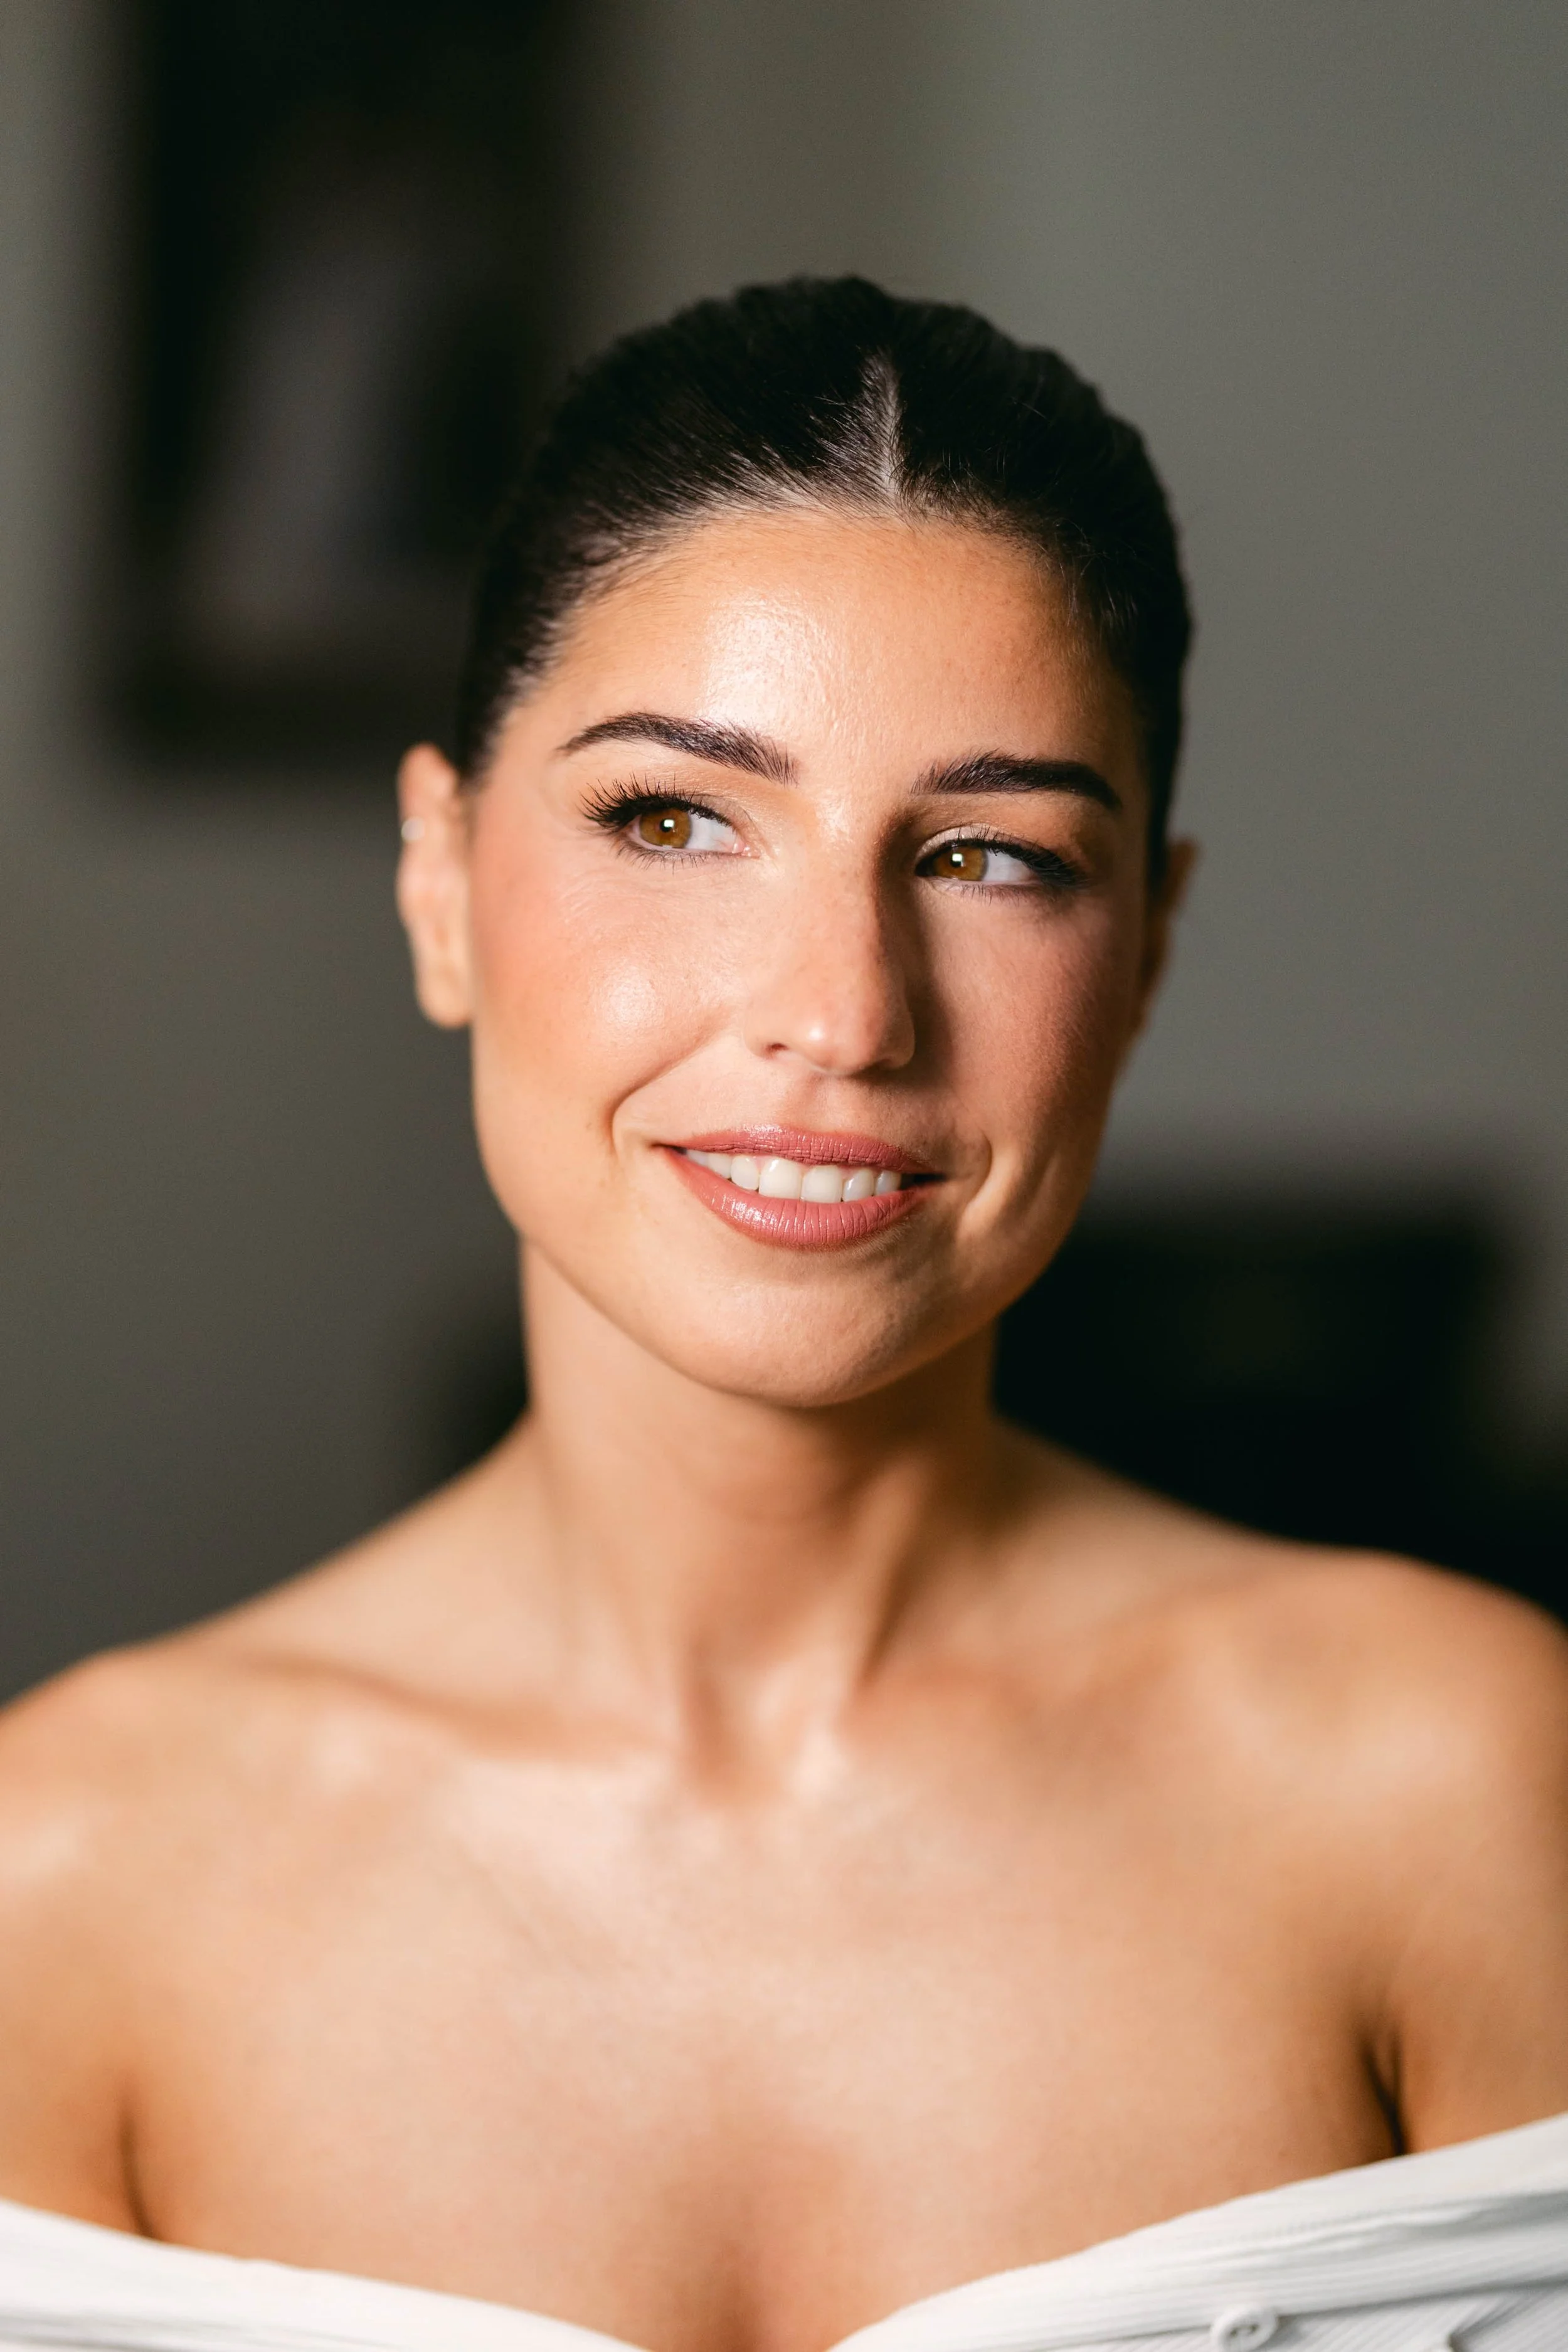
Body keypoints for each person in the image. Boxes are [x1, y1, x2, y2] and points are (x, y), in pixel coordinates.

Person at [2, 278, 1567, 2352]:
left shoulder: (1452, 1784)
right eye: (673, 817)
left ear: (1147, 948)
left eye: (993, 857)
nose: (841, 1010)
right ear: (438, 879)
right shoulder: (60, 1877)